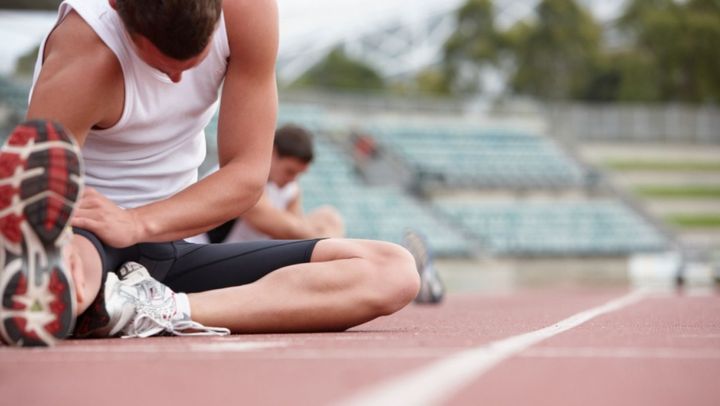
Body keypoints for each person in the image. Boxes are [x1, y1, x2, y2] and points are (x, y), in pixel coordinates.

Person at [0, 0, 419, 347]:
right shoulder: (85, 50)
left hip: (167, 243)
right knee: (57, 280)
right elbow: (41, 197)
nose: (179, 77)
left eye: (192, 60)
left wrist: (137, 223)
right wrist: (65, 247)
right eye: (162, 65)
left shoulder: (247, 12)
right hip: (90, 230)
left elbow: (247, 179)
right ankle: (62, 298)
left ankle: (149, 310)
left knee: (391, 271)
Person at [200, 124, 344, 244]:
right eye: (290, 171)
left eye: (298, 174)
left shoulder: (290, 190)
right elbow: (280, 228)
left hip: (243, 257)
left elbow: (294, 233)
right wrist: (325, 239)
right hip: (202, 255)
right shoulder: (242, 175)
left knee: (329, 217)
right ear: (272, 153)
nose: (293, 180)